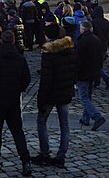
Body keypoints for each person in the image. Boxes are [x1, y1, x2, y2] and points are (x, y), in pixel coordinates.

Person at [0, 30, 32, 176]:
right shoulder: (20, 59)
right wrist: (19, 88)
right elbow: (26, 78)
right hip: (13, 100)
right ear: (13, 41)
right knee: (17, 132)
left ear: (1, 41)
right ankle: (25, 160)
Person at [32, 24, 76, 169]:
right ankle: (61, 156)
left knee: (41, 122)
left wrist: (41, 99)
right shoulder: (70, 50)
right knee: (65, 125)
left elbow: (46, 80)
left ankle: (45, 154)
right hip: (65, 92)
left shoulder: (48, 53)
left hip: (51, 94)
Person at [76, 21, 107, 129]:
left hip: (84, 73)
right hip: (93, 72)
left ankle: (97, 117)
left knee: (83, 98)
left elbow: (79, 60)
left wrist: (76, 73)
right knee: (88, 96)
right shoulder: (96, 39)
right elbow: (100, 58)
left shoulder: (82, 41)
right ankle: (86, 118)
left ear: (83, 29)